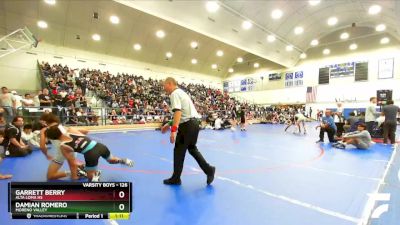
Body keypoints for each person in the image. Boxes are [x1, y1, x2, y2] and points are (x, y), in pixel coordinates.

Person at [161, 77, 215, 185]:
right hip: (195, 124)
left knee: (178, 151)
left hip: (187, 125)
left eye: (164, 85)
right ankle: (209, 169)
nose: (164, 88)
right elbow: (184, 114)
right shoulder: (182, 93)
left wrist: (173, 131)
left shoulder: (174, 93)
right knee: (192, 148)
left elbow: (178, 113)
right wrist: (169, 123)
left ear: (170, 83)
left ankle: (176, 178)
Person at [46, 125, 134, 181]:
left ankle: (95, 177)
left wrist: (74, 177)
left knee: (90, 177)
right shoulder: (71, 130)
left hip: (91, 154)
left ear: (54, 139)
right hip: (100, 146)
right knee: (111, 159)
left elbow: (72, 163)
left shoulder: (63, 146)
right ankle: (123, 160)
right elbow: (86, 131)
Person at [39, 113, 87, 180]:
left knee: (50, 176)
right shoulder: (61, 126)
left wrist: (46, 155)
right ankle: (80, 168)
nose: (41, 124)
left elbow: (42, 146)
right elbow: (85, 131)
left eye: (41, 121)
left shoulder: (44, 130)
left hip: (61, 153)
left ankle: (76, 172)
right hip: (71, 150)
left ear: (45, 121)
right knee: (72, 164)